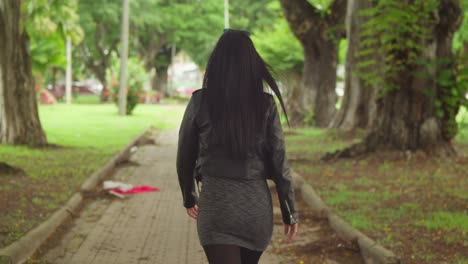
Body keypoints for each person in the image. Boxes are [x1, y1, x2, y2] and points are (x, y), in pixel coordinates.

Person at [176, 29, 299, 264]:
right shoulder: (266, 104)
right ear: (252, 65)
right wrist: (289, 211)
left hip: (216, 206)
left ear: (216, 64)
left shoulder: (199, 101)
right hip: (255, 210)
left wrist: (189, 196)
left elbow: (184, 156)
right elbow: (279, 162)